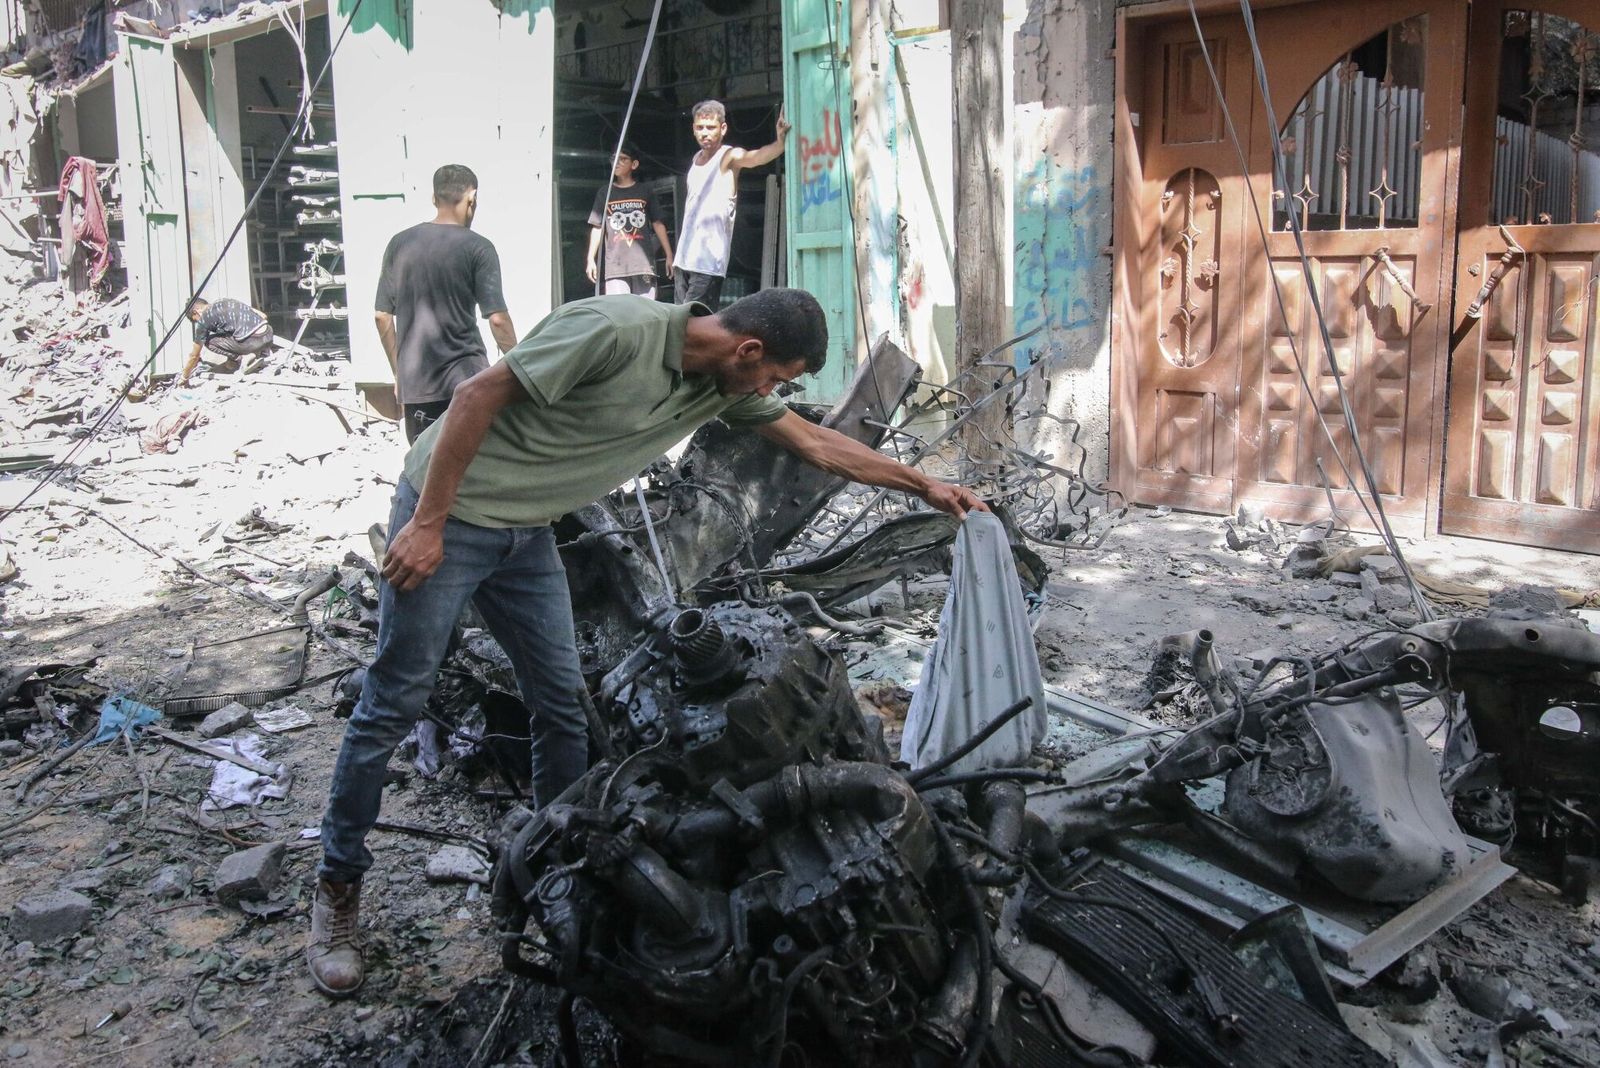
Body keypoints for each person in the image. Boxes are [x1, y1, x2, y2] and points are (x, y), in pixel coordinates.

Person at [305, 288, 986, 998]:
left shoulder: (717, 384)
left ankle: (553, 877)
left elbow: (815, 444)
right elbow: (476, 394)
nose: (771, 392)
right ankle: (337, 888)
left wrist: (926, 486)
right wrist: (429, 524)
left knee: (565, 706)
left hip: (526, 530)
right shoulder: (613, 331)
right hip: (447, 513)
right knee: (393, 703)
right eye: (775, 378)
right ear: (748, 350)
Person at [375, 164, 519, 444]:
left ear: (433, 198)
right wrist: (521, 366)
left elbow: (381, 316)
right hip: (466, 385)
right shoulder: (479, 247)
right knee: (472, 477)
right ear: (472, 198)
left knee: (424, 477)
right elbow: (498, 320)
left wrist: (399, 373)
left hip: (417, 390)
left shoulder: (399, 244)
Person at [674, 100, 790, 307]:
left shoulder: (728, 156)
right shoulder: (695, 159)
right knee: (678, 322)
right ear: (693, 129)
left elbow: (755, 157)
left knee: (695, 323)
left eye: (711, 127)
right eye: (700, 127)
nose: (705, 133)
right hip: (683, 259)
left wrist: (779, 143)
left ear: (723, 128)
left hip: (707, 262)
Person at [585, 144, 673, 299]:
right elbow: (597, 226)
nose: (616, 163)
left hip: (643, 265)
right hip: (616, 266)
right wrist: (590, 258)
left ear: (634, 164)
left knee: (646, 313)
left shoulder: (645, 191)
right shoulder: (605, 192)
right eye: (614, 159)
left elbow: (657, 223)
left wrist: (669, 255)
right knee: (620, 314)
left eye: (623, 159)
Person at [180, 298, 273, 384]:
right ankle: (260, 351)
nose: (198, 322)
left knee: (208, 341)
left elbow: (194, 356)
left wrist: (184, 378)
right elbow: (263, 316)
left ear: (196, 312)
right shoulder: (227, 301)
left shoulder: (204, 318)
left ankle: (239, 359)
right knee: (230, 332)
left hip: (251, 342)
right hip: (268, 334)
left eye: (196, 320)